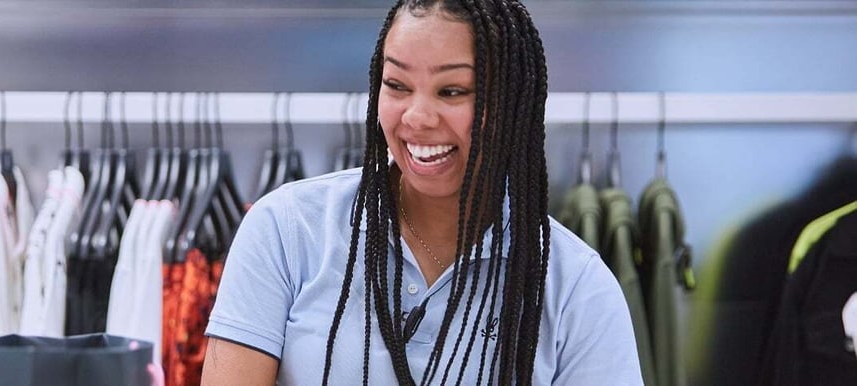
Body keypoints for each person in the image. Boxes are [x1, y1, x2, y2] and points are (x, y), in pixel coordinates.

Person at [200, 1, 642, 385]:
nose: (417, 116)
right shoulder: (286, 230)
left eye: (452, 91)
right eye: (397, 86)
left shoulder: (577, 288)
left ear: (510, 103)